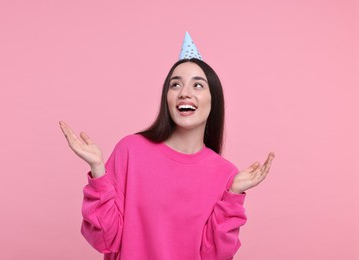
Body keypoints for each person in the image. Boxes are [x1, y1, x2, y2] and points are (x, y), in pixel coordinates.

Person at [59, 33, 275, 260]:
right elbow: (105, 239)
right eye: (175, 85)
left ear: (214, 100)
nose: (185, 93)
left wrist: (234, 194)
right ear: (167, 99)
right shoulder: (131, 151)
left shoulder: (226, 174)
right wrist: (98, 171)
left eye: (198, 85)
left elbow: (216, 256)